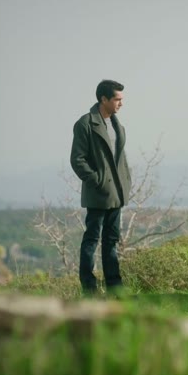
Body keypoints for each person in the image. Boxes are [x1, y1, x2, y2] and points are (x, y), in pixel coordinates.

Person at [70, 80, 132, 295]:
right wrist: (97, 180)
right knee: (91, 240)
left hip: (116, 193)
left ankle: (115, 288)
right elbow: (77, 159)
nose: (121, 103)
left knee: (111, 241)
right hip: (98, 193)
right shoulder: (85, 124)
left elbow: (120, 158)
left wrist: (126, 181)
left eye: (121, 99)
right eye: (117, 99)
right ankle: (89, 289)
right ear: (103, 99)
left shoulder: (117, 125)